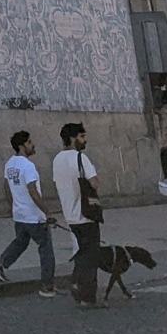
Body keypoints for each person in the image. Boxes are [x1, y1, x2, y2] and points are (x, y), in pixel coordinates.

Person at [0, 130, 58, 295]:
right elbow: (33, 191)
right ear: (21, 146)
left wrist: (13, 206)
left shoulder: (10, 164)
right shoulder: (28, 166)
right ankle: (47, 287)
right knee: (46, 249)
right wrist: (47, 212)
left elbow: (6, 186)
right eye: (29, 142)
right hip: (34, 217)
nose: (33, 145)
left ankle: (0, 263)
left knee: (21, 242)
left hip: (20, 215)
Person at [52, 121, 102, 308]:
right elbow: (95, 183)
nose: (84, 140)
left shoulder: (57, 160)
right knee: (90, 256)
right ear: (73, 138)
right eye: (82, 136)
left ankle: (79, 289)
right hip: (86, 214)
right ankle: (86, 296)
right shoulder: (81, 158)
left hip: (70, 215)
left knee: (82, 253)